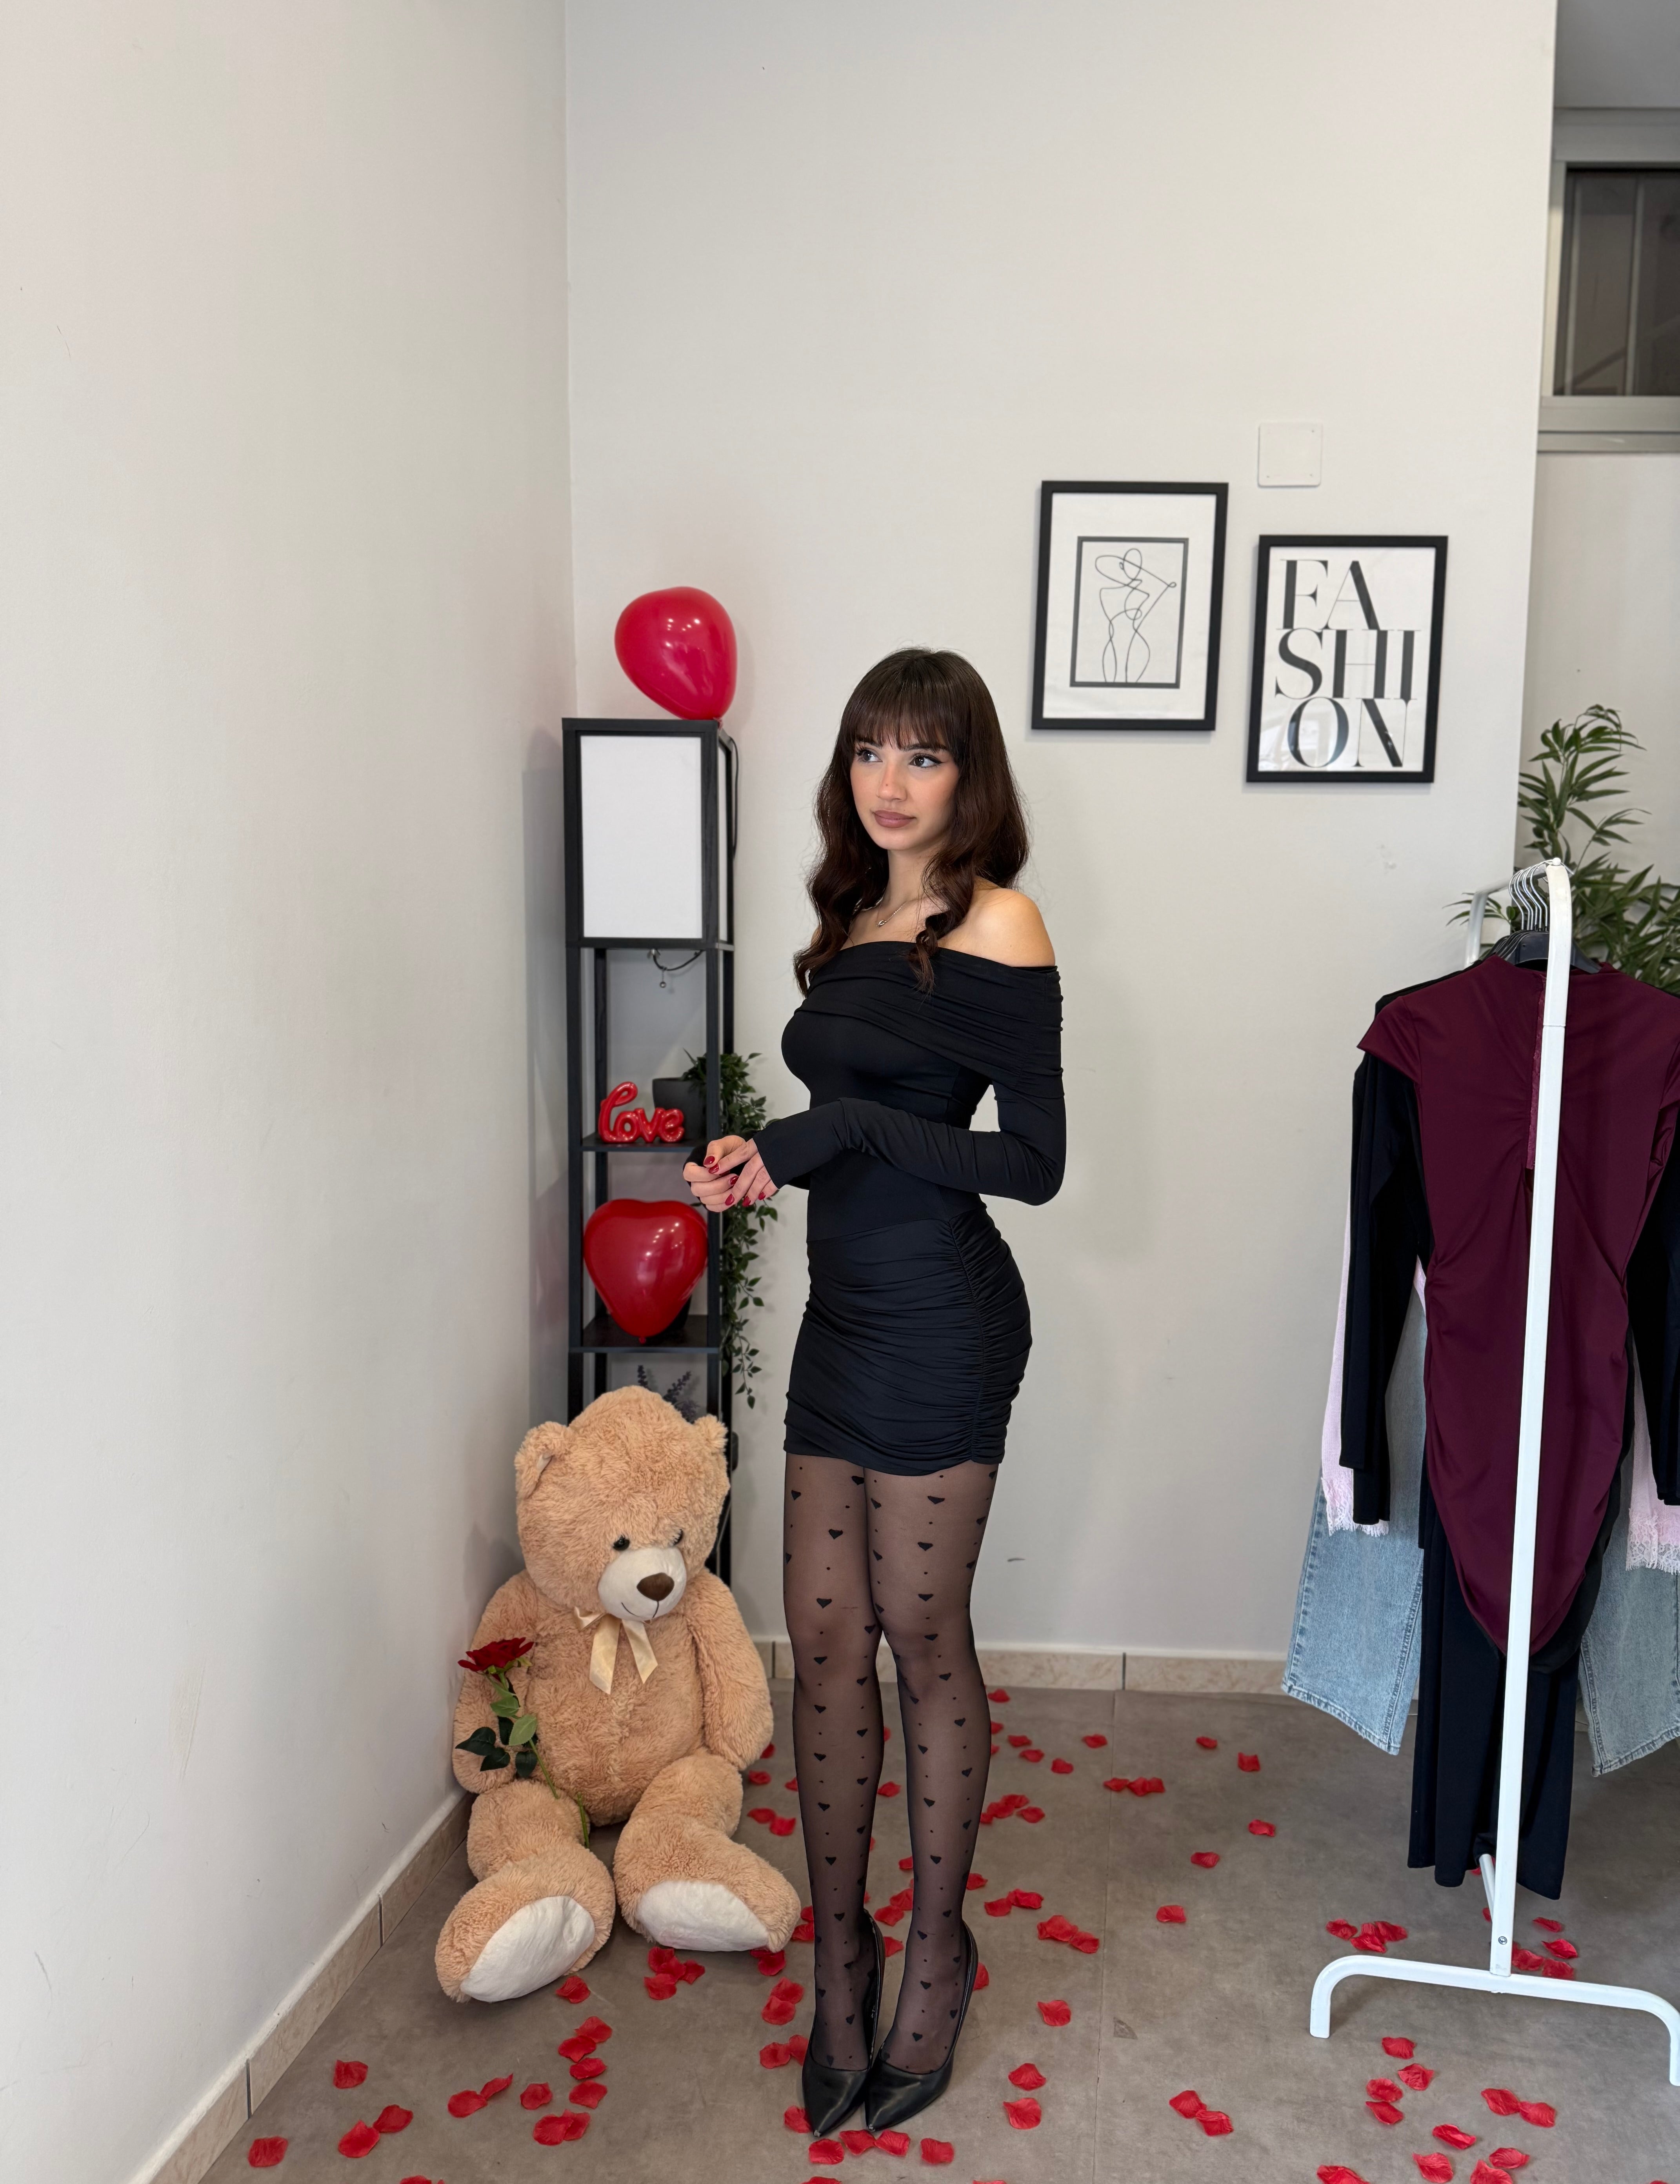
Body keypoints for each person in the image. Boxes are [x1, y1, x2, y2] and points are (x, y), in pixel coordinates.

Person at [684, 648, 1064, 2134]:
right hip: (843, 1320)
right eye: (866, 751)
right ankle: (840, 1955)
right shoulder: (848, 917)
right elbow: (846, 1113)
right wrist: (763, 1154)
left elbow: (1030, 1161)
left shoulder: (999, 921)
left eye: (922, 754)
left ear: (971, 774)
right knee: (825, 1640)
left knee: (917, 1634)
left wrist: (833, 1130)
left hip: (946, 1322)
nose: (888, 782)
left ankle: (935, 1952)